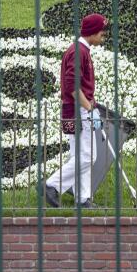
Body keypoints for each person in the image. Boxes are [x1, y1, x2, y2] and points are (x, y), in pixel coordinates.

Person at [44, 12, 107, 208]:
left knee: (80, 156)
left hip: (76, 109)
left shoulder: (80, 50)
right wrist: (90, 109)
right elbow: (72, 87)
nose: (104, 35)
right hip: (79, 110)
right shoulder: (79, 52)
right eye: (101, 32)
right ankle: (52, 185)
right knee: (88, 157)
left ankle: (82, 198)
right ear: (92, 32)